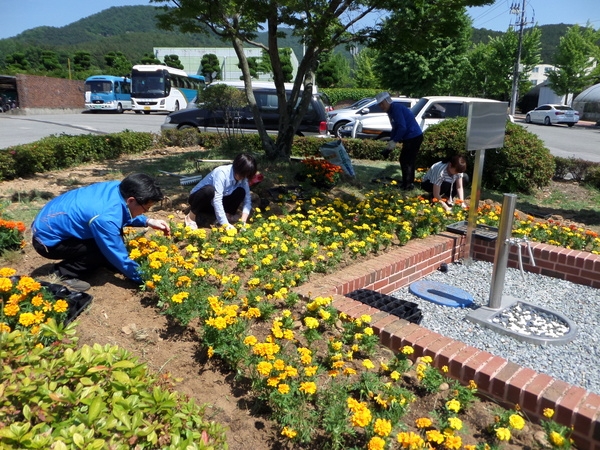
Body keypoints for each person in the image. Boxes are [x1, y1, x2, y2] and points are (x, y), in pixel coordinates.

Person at [31, 173, 170, 291]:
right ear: (131, 200)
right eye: (146, 208)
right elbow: (115, 251)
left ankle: (104, 262)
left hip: (52, 221)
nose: (146, 211)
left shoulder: (118, 188)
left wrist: (147, 221)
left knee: (109, 240)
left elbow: (122, 212)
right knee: (100, 251)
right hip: (47, 242)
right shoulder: (105, 217)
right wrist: (146, 277)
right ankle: (63, 273)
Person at [185, 153, 257, 230]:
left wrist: (243, 222)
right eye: (242, 174)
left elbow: (247, 200)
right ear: (236, 167)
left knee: (241, 191)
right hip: (199, 199)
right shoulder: (222, 173)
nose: (243, 177)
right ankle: (190, 217)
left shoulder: (243, 178)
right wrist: (225, 225)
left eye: (246, 175)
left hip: (213, 203)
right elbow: (217, 199)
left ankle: (226, 216)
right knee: (209, 190)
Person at [376, 92, 423, 190]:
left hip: (414, 137)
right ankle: (408, 182)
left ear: (388, 101)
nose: (381, 106)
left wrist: (395, 140)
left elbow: (402, 128)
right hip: (410, 137)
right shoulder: (390, 111)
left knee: (406, 160)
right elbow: (395, 128)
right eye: (379, 104)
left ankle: (408, 185)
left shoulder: (396, 108)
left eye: (382, 103)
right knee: (406, 160)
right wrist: (391, 142)